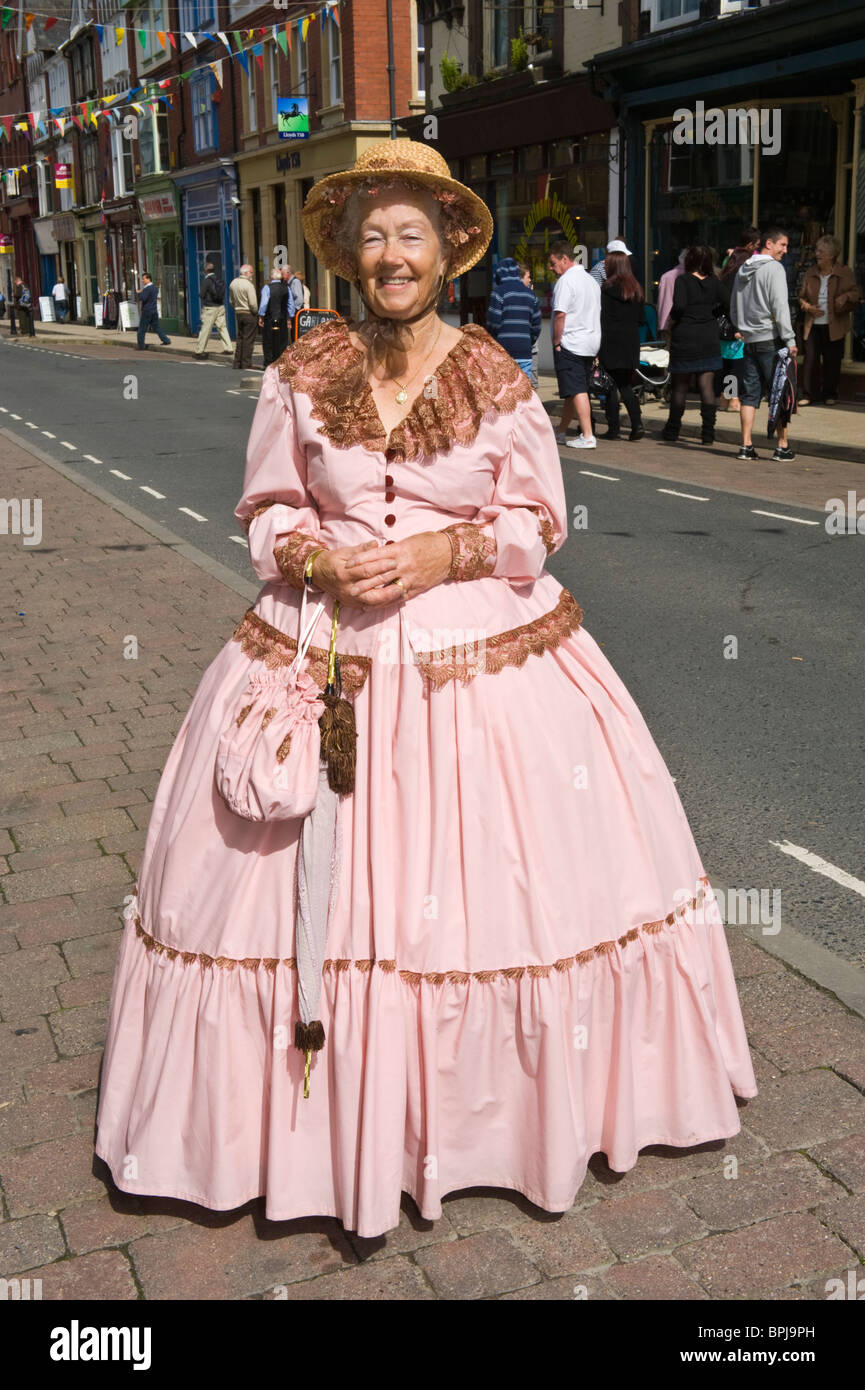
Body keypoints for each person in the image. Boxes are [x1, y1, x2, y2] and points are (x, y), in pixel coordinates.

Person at [94, 138, 756, 1239]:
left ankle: (483, 1122)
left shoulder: (495, 374)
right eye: (374, 236)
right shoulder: (301, 370)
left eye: (413, 235)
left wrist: (447, 556)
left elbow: (536, 522)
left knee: (502, 884)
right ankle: (303, 1123)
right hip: (320, 647)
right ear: (350, 254)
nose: (392, 255)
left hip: (475, 659)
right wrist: (316, 557)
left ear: (448, 249)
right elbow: (264, 510)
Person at [730, 228, 797, 462]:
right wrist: (790, 339)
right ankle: (782, 446)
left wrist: (741, 327)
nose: (785, 251)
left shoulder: (743, 269)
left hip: (749, 339)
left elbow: (734, 303)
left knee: (750, 394)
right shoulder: (774, 269)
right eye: (783, 245)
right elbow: (780, 306)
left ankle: (746, 446)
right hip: (771, 339)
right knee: (780, 392)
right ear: (769, 243)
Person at [662, 244, 726, 446]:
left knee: (680, 386)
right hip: (708, 336)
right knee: (706, 386)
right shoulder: (715, 283)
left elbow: (679, 306)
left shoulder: (683, 280)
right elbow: (728, 303)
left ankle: (672, 430)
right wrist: (710, 315)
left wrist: (675, 318)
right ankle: (708, 433)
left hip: (686, 336)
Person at [548, 238, 601, 449]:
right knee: (573, 388)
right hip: (590, 341)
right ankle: (561, 431)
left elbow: (560, 314)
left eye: (553, 263)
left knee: (577, 389)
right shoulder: (590, 280)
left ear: (564, 259)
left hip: (572, 341)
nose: (551, 268)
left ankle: (587, 435)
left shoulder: (566, 281)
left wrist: (556, 340)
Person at [798, 234, 861, 406]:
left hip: (835, 325)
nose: (817, 254)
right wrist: (808, 307)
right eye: (817, 250)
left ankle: (829, 394)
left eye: (821, 251)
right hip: (813, 325)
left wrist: (845, 296)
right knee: (810, 360)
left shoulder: (844, 272)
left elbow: (856, 293)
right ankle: (808, 394)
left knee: (832, 361)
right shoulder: (811, 273)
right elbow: (801, 297)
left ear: (832, 255)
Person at [598, 250, 645, 440]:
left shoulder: (606, 289)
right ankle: (637, 424)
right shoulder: (636, 290)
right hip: (630, 342)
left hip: (610, 341)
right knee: (625, 385)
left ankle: (614, 427)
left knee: (610, 386)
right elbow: (641, 319)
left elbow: (602, 318)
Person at [715, 229, 758, 412]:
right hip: (736, 326)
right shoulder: (741, 276)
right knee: (735, 364)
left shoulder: (726, 273)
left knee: (726, 363)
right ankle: (732, 398)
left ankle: (724, 398)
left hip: (722, 326)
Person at [485, 256, 541, 380]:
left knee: (504, 391)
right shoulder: (531, 295)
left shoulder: (498, 292)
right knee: (525, 391)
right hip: (525, 351)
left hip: (503, 351)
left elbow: (493, 322)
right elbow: (536, 326)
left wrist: (494, 340)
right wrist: (527, 341)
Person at [195, 261, 232, 360]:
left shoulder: (206, 281)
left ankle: (199, 350)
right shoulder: (219, 279)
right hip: (220, 307)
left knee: (205, 329)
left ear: (205, 270)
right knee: (222, 327)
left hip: (210, 308)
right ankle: (228, 348)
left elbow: (202, 295)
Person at [258, 265, 292, 366]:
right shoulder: (286, 288)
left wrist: (261, 316)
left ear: (271, 277)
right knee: (282, 340)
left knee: (268, 340)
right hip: (282, 318)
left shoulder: (267, 288)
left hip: (270, 318)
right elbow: (291, 304)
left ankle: (269, 361)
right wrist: (289, 317)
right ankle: (281, 362)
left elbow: (264, 304)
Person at [229, 263, 259, 370]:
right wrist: (256, 312)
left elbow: (231, 301)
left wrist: (237, 307)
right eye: (251, 273)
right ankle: (246, 362)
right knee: (248, 339)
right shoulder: (249, 285)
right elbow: (253, 304)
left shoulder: (233, 283)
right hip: (248, 313)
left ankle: (237, 362)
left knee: (240, 338)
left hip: (238, 313)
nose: (252, 275)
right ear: (246, 273)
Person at [135, 272, 171, 350]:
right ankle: (166, 340)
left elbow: (142, 298)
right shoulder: (155, 288)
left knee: (142, 329)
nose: (142, 280)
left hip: (147, 311)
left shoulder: (147, 289)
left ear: (148, 279)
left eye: (144, 279)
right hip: (154, 310)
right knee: (156, 327)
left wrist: (139, 293)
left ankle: (141, 345)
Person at [656, 249, 686, 333]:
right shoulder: (691, 277)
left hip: (666, 321)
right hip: (684, 324)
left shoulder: (666, 276)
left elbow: (661, 300)